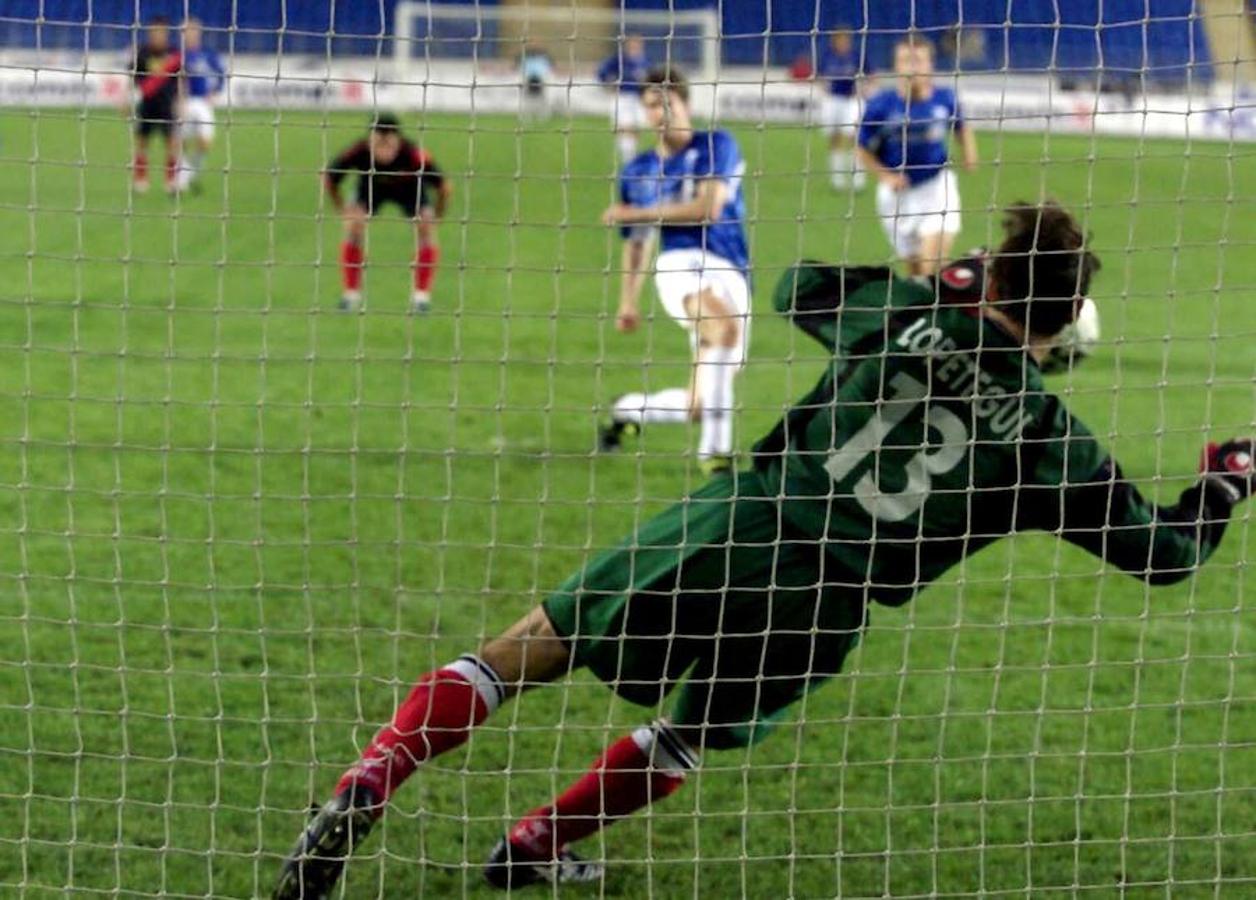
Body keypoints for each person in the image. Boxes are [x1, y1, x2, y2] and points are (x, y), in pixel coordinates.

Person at [271, 199, 1256, 898]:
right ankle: (534, 843)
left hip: (740, 523)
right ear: (1059, 334)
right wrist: (1223, 480)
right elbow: (1164, 556)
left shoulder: (905, 314)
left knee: (525, 649)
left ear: (987, 275)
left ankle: (372, 779)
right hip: (831, 603)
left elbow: (798, 287)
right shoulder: (1051, 440)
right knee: (691, 732)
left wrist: (935, 286)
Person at [598, 66, 751, 477]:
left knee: (701, 404)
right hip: (679, 265)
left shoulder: (717, 144)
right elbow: (637, 243)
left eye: (667, 102)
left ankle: (625, 409)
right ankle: (715, 458)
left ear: (685, 103)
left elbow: (708, 209)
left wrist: (638, 212)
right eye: (650, 105)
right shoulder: (637, 171)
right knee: (724, 328)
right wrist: (627, 299)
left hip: (731, 269)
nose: (659, 112)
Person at [857, 35, 978, 276]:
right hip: (897, 195)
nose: (912, 67)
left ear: (930, 65)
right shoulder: (880, 105)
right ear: (896, 66)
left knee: (932, 264)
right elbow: (862, 149)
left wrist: (969, 153)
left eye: (918, 60)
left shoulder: (945, 98)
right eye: (905, 60)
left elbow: (962, 127)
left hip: (937, 186)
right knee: (915, 272)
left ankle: (939, 303)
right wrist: (886, 177)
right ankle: (924, 309)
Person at [323, 113, 450, 314]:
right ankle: (351, 293)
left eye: (388, 143)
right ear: (370, 140)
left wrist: (438, 214)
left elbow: (444, 186)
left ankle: (421, 296)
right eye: (378, 143)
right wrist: (341, 208)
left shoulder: (414, 154)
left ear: (397, 140)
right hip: (371, 189)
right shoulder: (359, 150)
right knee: (353, 226)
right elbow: (329, 179)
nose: (383, 149)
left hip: (410, 190)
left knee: (426, 227)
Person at [129, 16, 181, 195]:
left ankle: (171, 181)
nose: (157, 35)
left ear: (166, 33)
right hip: (147, 104)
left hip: (166, 104)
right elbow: (133, 77)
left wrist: (181, 101)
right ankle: (141, 180)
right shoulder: (142, 53)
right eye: (154, 31)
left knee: (172, 143)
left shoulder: (174, 53)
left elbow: (181, 79)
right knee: (142, 142)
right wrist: (129, 98)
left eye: (161, 32)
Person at [175, 17, 226, 193]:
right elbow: (175, 81)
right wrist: (178, 100)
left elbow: (221, 74)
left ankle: (190, 174)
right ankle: (181, 181)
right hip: (186, 102)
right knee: (181, 142)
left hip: (203, 102)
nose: (190, 34)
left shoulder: (208, 54)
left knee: (205, 141)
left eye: (193, 30)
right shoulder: (178, 55)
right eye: (186, 31)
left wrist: (215, 92)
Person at [815, 28, 866, 191]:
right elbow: (819, 75)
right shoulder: (828, 56)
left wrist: (863, 90)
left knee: (853, 135)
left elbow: (870, 74)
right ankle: (837, 178)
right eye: (839, 40)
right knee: (834, 137)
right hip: (833, 100)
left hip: (851, 100)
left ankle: (858, 177)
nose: (843, 43)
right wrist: (823, 88)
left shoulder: (856, 56)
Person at [596, 34, 650, 162]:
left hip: (638, 98)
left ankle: (632, 153)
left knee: (637, 126)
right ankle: (627, 156)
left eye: (638, 43)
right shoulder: (619, 59)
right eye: (633, 43)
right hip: (623, 97)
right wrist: (608, 84)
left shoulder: (645, 61)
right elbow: (602, 72)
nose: (636, 46)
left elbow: (650, 78)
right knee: (624, 125)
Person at [520, 44, 554, 121]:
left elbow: (547, 70)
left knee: (544, 97)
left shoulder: (543, 60)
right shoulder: (527, 60)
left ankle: (544, 115)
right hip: (529, 79)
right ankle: (526, 116)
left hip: (541, 79)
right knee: (526, 98)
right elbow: (523, 70)